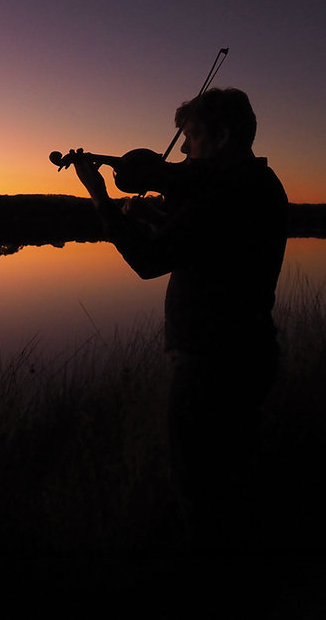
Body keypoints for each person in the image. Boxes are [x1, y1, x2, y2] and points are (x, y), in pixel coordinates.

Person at [69, 87, 288, 551]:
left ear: (222, 135)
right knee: (234, 478)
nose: (183, 152)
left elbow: (149, 262)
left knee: (199, 491)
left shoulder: (226, 195)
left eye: (190, 138)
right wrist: (151, 212)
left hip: (214, 365)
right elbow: (196, 246)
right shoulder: (256, 185)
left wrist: (101, 200)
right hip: (247, 351)